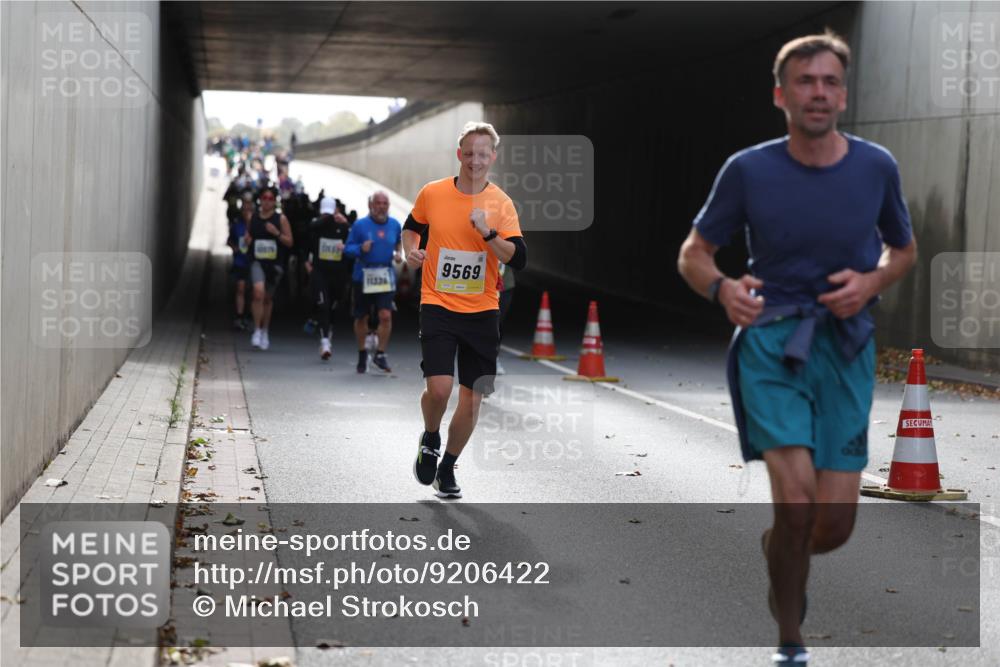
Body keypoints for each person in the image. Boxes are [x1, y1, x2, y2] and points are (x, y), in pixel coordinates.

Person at [676, 31, 916, 666]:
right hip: (771, 344)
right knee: (798, 500)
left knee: (832, 525)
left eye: (830, 81)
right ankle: (791, 638)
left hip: (845, 347)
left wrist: (871, 283)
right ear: (781, 95)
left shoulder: (876, 167)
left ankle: (780, 549)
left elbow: (903, 249)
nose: (819, 92)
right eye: (805, 82)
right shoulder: (749, 169)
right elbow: (694, 253)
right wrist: (724, 288)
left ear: (844, 95)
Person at [402, 121, 527, 499]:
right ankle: (430, 437)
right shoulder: (433, 193)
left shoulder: (501, 204)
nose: (475, 160)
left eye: (483, 154)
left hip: (482, 310)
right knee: (439, 389)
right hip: (437, 303)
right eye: (469, 153)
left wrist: (488, 233)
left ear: (493, 157)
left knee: (473, 398)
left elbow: (518, 258)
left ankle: (447, 468)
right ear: (460, 154)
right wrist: (410, 252)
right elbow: (412, 226)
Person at [344, 191, 402, 373]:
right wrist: (361, 248)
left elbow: (398, 241)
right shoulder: (360, 225)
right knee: (362, 317)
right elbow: (347, 249)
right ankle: (362, 352)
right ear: (370, 205)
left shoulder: (395, 224)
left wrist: (398, 253)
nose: (381, 207)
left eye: (385, 203)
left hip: (385, 275)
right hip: (363, 275)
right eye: (378, 203)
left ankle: (380, 354)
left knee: (385, 315)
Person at [247, 186, 294, 350]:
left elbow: (290, 242)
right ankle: (257, 330)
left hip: (274, 264)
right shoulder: (253, 217)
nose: (267, 201)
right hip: (257, 261)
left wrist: (276, 233)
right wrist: (247, 240)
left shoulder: (281, 219)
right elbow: (248, 236)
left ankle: (265, 330)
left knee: (267, 298)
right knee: (258, 292)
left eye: (270, 199)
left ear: (275, 201)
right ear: (260, 200)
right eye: (264, 198)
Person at [305, 197, 352, 360]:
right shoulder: (316, 224)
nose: (327, 216)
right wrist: (306, 261)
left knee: (333, 306)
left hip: (338, 274)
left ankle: (327, 329)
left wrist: (346, 224)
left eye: (330, 213)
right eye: (325, 213)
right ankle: (325, 341)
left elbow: (355, 241)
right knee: (323, 305)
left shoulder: (343, 226)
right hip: (320, 273)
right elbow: (309, 232)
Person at [227, 193, 254, 330]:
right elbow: (230, 240)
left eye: (249, 210)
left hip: (253, 262)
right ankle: (240, 315)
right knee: (241, 288)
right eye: (244, 210)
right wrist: (234, 248)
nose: (246, 212)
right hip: (240, 261)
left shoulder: (257, 226)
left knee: (253, 291)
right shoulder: (237, 226)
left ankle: (249, 315)